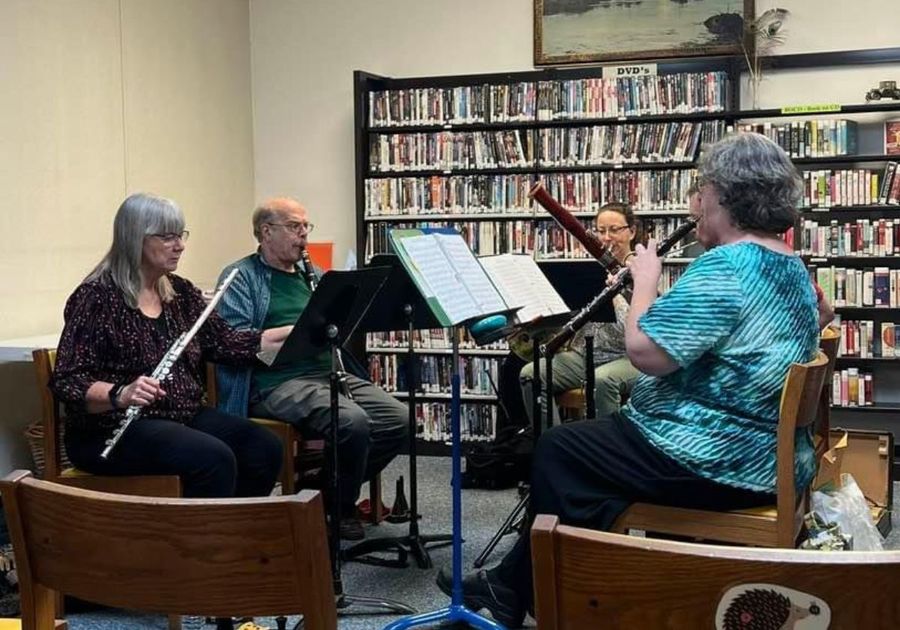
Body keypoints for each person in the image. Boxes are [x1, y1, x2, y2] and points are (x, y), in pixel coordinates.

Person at [438, 133, 821, 628]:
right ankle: (522, 584)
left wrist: (643, 282)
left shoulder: (727, 265)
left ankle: (556, 600)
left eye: (698, 190)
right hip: (770, 452)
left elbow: (643, 353)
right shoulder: (789, 264)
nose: (693, 203)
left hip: (720, 457)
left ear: (723, 195)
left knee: (560, 449)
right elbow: (804, 317)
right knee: (594, 467)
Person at [52, 193, 287, 630]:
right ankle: (204, 580)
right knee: (213, 458)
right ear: (135, 239)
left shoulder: (179, 293)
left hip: (176, 415)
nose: (179, 245)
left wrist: (289, 334)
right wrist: (121, 392)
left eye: (182, 234)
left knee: (263, 448)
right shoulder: (95, 298)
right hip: (109, 430)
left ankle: (227, 554)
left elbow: (225, 343)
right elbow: (67, 380)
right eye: (168, 236)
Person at [215, 197, 408, 541]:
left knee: (398, 419)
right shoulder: (240, 277)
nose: (303, 235)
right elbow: (233, 340)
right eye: (294, 227)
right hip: (276, 382)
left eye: (306, 227)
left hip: (327, 372)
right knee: (352, 421)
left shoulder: (314, 275)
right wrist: (296, 331)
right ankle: (340, 507)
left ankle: (324, 491)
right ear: (265, 232)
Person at [519, 203, 641, 423]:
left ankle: (608, 452)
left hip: (627, 355)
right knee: (532, 373)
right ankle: (555, 446)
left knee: (603, 380)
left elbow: (638, 327)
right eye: (600, 230)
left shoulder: (643, 269)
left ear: (631, 231)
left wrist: (613, 295)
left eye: (614, 230)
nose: (606, 237)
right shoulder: (586, 268)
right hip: (584, 353)